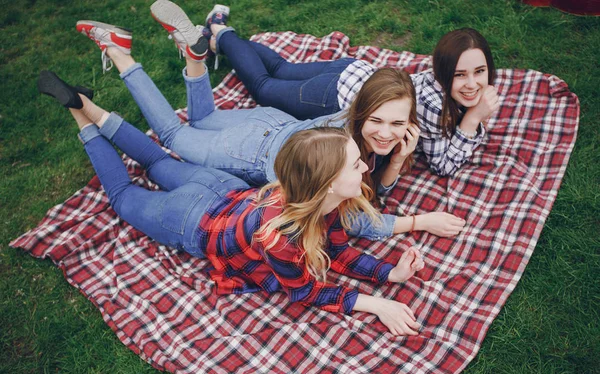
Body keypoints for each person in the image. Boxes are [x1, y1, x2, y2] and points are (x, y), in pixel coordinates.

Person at [37, 70, 426, 335]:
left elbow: (339, 252)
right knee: (123, 198)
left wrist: (389, 274)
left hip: (221, 188)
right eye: (357, 165)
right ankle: (78, 112)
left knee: (157, 161)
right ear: (327, 184)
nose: (364, 170)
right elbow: (305, 291)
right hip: (190, 219)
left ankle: (85, 103)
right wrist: (376, 304)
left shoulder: (325, 202)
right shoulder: (282, 238)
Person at [73, 1, 465, 240]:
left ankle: (195, 55)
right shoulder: (341, 152)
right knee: (173, 135)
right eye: (377, 120)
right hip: (250, 151)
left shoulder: (362, 133)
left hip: (271, 122)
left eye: (398, 125)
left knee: (203, 118)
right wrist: (419, 221)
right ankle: (122, 54)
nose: (386, 133)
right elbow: (360, 217)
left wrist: (396, 157)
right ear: (360, 112)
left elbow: (371, 186)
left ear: (410, 123)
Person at [200, 7, 499, 177]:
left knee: (282, 68)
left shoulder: (448, 90)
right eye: (459, 75)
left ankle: (217, 39)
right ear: (443, 73)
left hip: (354, 69)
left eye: (479, 72)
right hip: (336, 94)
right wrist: (472, 120)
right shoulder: (435, 108)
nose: (472, 84)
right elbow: (442, 165)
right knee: (265, 88)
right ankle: (221, 33)